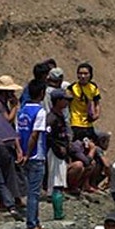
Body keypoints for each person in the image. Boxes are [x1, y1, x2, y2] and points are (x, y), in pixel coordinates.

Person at [16, 81, 49, 229]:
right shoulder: (40, 112)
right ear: (42, 93)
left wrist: (20, 153)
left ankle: (35, 221)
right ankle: (31, 224)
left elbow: (16, 134)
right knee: (33, 193)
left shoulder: (22, 111)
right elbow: (35, 135)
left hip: (24, 155)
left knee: (31, 191)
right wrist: (28, 154)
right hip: (36, 155)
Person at [0, 75, 26, 206]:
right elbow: (7, 120)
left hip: (7, 142)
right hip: (0, 143)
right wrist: (15, 107)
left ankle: (13, 198)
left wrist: (18, 148)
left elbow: (11, 128)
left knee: (12, 171)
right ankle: (7, 200)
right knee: (5, 173)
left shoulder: (3, 104)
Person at [45, 88, 72, 220]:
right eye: (65, 99)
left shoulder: (60, 116)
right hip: (55, 153)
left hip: (61, 152)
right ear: (58, 101)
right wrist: (59, 149)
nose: (67, 102)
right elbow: (49, 137)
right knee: (57, 182)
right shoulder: (51, 118)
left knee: (60, 181)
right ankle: (58, 213)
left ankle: (59, 211)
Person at [67, 62, 101, 141]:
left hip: (88, 123)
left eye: (85, 73)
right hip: (75, 123)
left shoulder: (93, 87)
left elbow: (97, 102)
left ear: (90, 75)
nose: (83, 76)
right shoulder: (72, 88)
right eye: (80, 73)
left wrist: (97, 114)